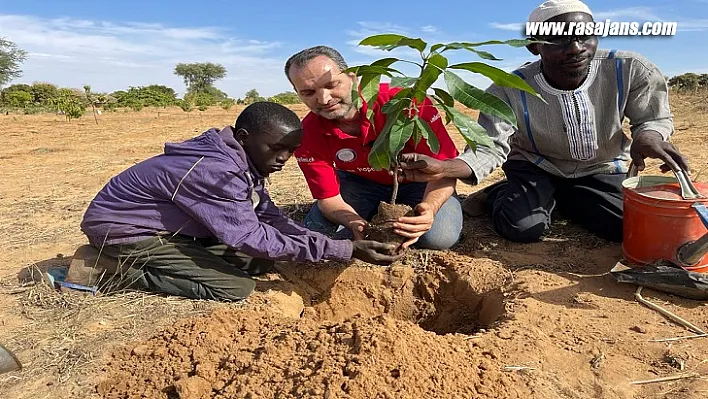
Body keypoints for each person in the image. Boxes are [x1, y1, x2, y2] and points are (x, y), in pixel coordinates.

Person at [397, 0, 689, 244]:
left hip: (598, 166)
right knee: (522, 229)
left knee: (626, 228)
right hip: (535, 166)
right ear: (535, 46)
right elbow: (489, 147)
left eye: (584, 35)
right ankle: (498, 195)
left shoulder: (630, 68)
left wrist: (649, 137)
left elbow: (652, 118)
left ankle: (563, 196)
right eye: (559, 40)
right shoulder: (507, 89)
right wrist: (445, 168)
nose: (576, 47)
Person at [79, 102, 402, 301]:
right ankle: (106, 268)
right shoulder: (215, 171)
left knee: (259, 262)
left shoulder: (241, 159)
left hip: (172, 227)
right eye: (276, 148)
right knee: (236, 288)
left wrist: (321, 241)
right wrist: (343, 249)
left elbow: (268, 215)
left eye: (290, 151)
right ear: (244, 137)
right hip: (126, 230)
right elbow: (249, 235)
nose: (283, 159)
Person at [284, 45, 463, 251]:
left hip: (422, 182)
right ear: (298, 94)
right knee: (317, 233)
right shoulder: (308, 133)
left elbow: (445, 169)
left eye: (332, 85)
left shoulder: (406, 103)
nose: (324, 99)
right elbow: (328, 198)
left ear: (353, 78)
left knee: (438, 239)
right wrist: (353, 222)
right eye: (308, 92)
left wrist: (430, 208)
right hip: (360, 183)